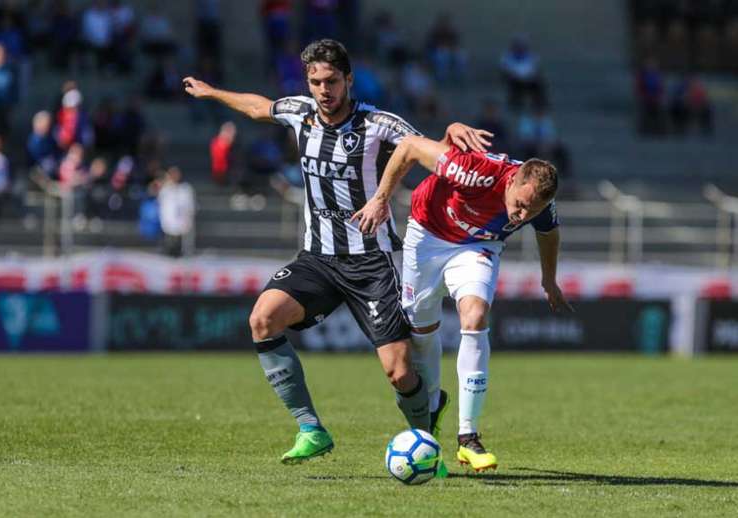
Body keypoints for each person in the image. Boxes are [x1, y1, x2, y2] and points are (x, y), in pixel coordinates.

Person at [183, 38, 491, 464]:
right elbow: (259, 107)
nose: (323, 89)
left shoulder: (379, 124)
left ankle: (425, 433)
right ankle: (311, 429)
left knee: (400, 373)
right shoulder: (300, 113)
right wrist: (212, 92)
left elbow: (422, 150)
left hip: (373, 263)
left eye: (331, 80)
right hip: (317, 260)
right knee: (262, 319)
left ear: (348, 79)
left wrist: (449, 135)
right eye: (315, 82)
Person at [352, 133, 573, 473]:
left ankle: (468, 437)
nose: (521, 214)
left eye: (532, 211)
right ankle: (431, 408)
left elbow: (549, 233)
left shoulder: (541, 204)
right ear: (513, 180)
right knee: (422, 333)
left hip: (477, 248)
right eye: (520, 204)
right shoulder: (475, 170)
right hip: (426, 237)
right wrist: (381, 199)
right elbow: (409, 146)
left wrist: (549, 279)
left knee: (475, 317)